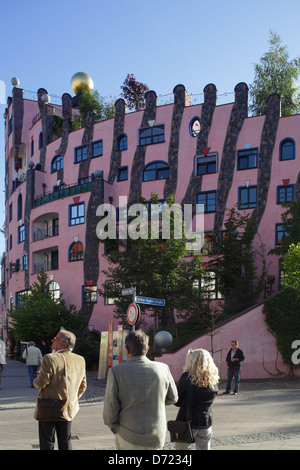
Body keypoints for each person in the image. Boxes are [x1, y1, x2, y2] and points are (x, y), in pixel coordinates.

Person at [103, 329, 178, 450]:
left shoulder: (116, 371)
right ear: (147, 348)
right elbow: (173, 397)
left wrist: (114, 427)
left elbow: (111, 405)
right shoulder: (163, 368)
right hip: (157, 433)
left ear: (127, 350)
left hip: (128, 434)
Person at [33, 330, 87, 450]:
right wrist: (72, 399)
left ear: (64, 345)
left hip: (48, 407)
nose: (52, 340)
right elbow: (83, 386)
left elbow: (42, 382)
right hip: (68, 408)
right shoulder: (80, 359)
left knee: (47, 441)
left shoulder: (50, 358)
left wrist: (35, 380)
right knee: (65, 440)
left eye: (55, 338)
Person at [174, 349, 219, 451]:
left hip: (187, 422)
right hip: (205, 421)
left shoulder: (186, 378)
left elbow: (177, 402)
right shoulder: (212, 379)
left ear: (191, 361)